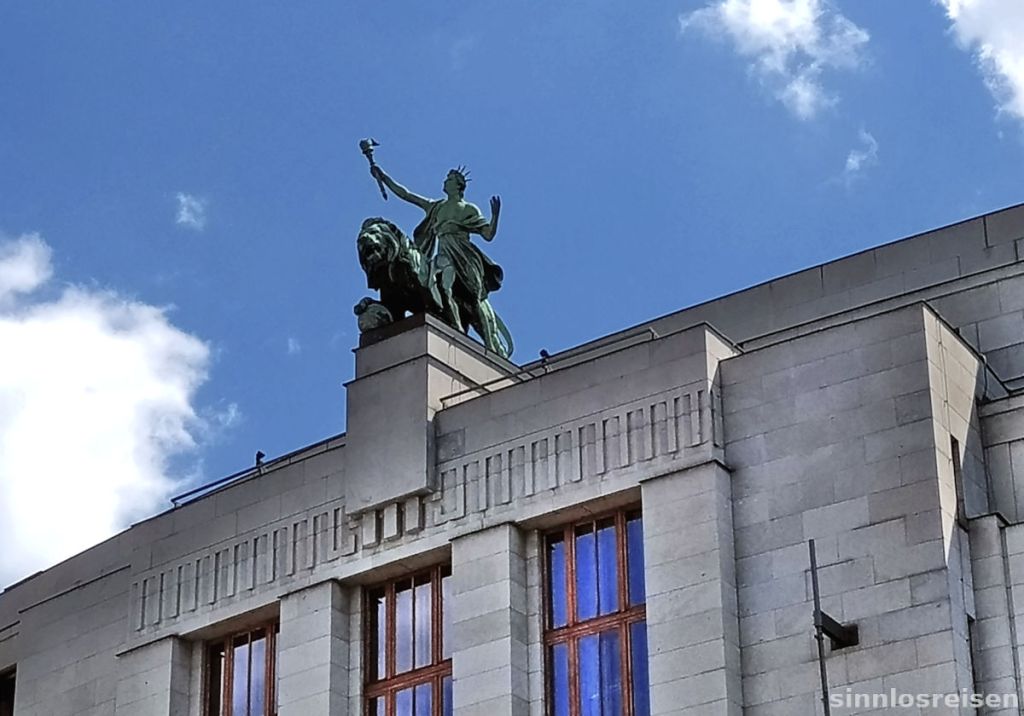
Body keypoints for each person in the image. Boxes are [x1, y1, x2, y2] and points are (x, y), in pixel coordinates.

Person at [369, 163, 506, 354]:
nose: (444, 181)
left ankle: (490, 345)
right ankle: (456, 327)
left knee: (474, 298)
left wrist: (495, 216)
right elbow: (406, 194)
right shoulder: (437, 206)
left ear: (458, 185)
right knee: (443, 286)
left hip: (465, 255)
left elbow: (488, 235)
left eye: (449, 179)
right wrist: (383, 176)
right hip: (444, 253)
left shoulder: (469, 209)